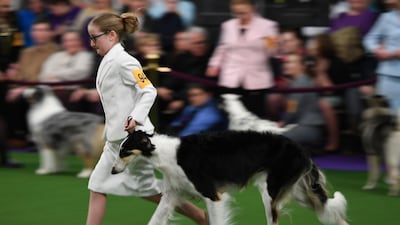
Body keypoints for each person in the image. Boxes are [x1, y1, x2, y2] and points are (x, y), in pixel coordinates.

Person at [85, 12, 207, 225]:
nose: (92, 43)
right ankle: (201, 217)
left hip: (134, 140)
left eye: (95, 37)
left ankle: (201, 217)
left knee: (147, 190)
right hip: (115, 140)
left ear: (112, 35)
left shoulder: (125, 61)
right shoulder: (108, 59)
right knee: (96, 186)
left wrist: (135, 116)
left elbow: (148, 90)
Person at [206, 0, 278, 118]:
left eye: (243, 13)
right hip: (231, 77)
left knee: (254, 115)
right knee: (232, 114)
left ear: (252, 9)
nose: (240, 16)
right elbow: (222, 48)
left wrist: (271, 43)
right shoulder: (227, 25)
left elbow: (273, 53)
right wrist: (214, 65)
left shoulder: (267, 26)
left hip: (256, 78)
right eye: (237, 13)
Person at [279, 53, 326, 152]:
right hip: (310, 127)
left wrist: (283, 122)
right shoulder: (302, 81)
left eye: (290, 62)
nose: (286, 65)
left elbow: (292, 109)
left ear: (302, 66)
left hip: (308, 127)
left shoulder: (300, 83)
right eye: (286, 62)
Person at [363, 0, 400, 114]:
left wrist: (391, 54)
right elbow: (369, 39)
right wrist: (377, 50)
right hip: (388, 76)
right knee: (386, 117)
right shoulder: (386, 17)